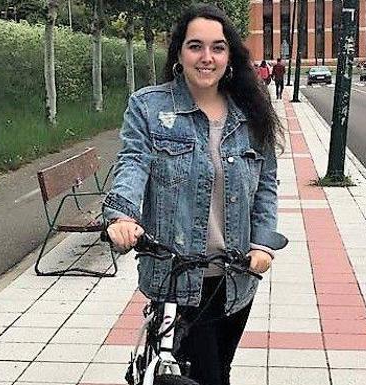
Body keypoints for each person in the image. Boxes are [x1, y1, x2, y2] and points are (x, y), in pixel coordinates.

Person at [102, 4, 287, 385]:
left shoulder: (250, 112)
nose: (207, 57)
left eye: (218, 47)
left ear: (230, 55)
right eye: (195, 46)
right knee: (206, 376)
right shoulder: (150, 108)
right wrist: (122, 216)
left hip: (237, 275)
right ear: (179, 53)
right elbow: (133, 163)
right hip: (177, 274)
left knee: (219, 368)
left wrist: (264, 245)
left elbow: (266, 184)